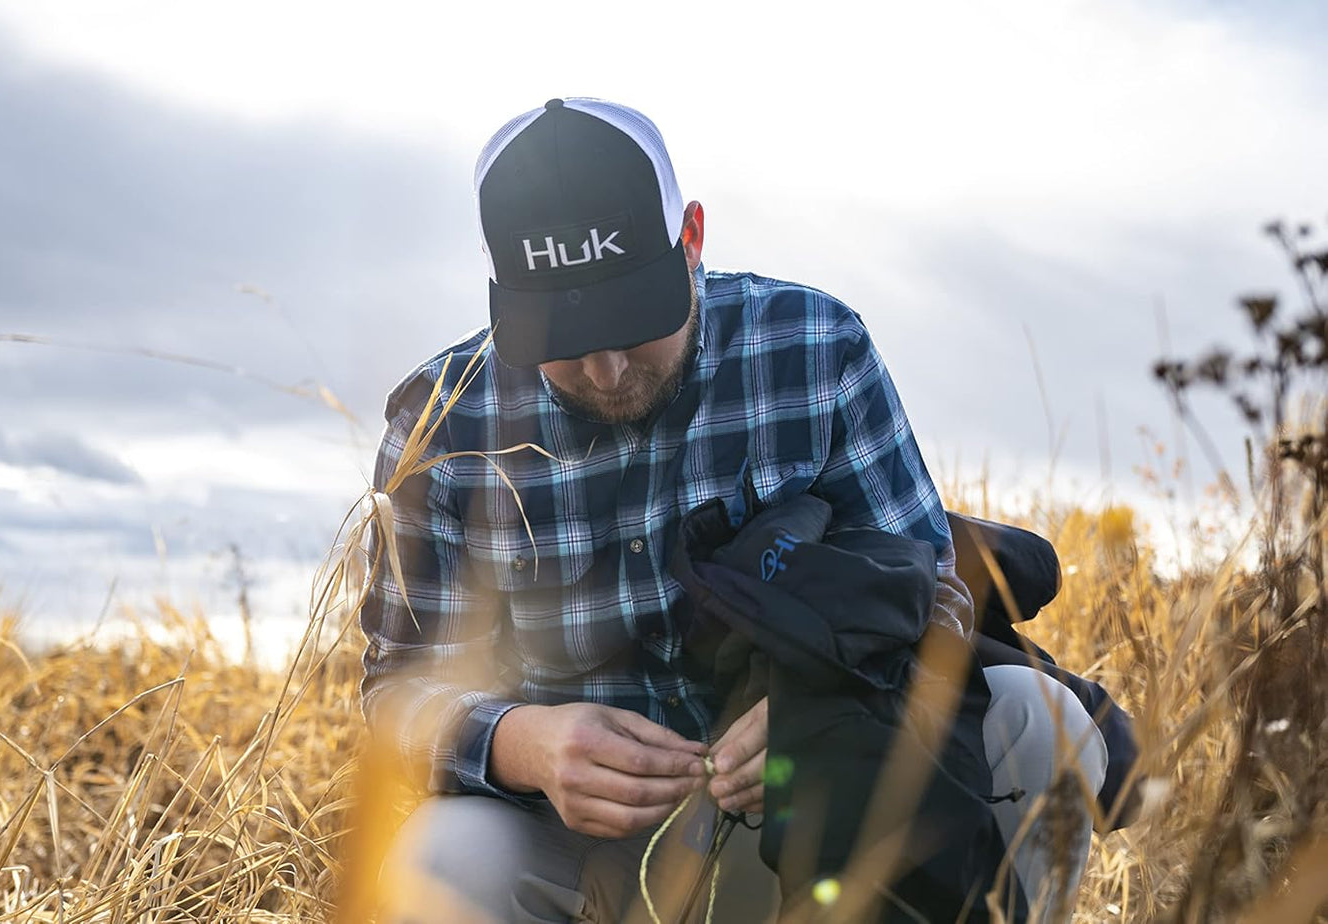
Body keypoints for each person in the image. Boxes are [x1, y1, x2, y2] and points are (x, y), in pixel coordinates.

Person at [360, 97, 1108, 922]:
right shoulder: (440, 418)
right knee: (439, 860)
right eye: (564, 337)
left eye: (631, 318)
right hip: (565, 840)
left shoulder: (816, 347)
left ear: (691, 238)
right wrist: (518, 745)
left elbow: (934, 587)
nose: (606, 369)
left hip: (800, 803)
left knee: (1039, 722)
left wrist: (816, 712)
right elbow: (400, 687)